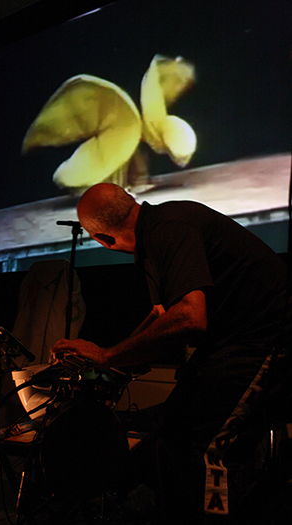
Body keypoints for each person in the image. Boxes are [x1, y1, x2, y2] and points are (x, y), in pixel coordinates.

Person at [51, 183, 291, 524]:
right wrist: (116, 361)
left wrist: (107, 356)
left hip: (267, 339)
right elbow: (162, 315)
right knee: (169, 431)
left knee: (205, 449)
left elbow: (190, 318)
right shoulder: (157, 229)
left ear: (103, 239)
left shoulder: (168, 229)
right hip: (234, 341)